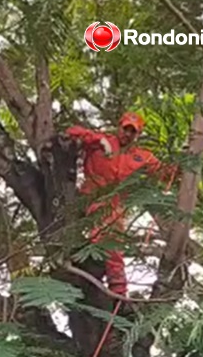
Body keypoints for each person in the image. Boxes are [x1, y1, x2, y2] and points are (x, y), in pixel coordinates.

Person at [65, 112, 174, 296]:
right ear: (119, 127)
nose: (128, 134)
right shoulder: (102, 141)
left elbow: (165, 174)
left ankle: (118, 291)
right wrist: (97, 140)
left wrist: (182, 161)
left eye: (133, 131)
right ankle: (113, 287)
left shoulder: (142, 157)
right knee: (105, 236)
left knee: (112, 241)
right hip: (90, 197)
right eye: (126, 129)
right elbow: (71, 133)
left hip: (115, 206)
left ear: (137, 134)